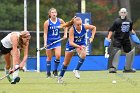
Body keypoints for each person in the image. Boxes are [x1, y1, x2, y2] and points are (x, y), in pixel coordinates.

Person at [57, 17, 96, 83]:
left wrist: (92, 37)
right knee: (66, 63)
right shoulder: (72, 30)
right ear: (74, 25)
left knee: (83, 54)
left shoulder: (84, 26)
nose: (80, 26)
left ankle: (76, 70)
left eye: (80, 24)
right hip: (71, 46)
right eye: (78, 25)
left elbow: (94, 28)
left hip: (81, 44)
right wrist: (79, 46)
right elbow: (71, 42)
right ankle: (60, 77)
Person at [104, 8, 140, 73]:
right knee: (116, 52)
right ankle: (113, 68)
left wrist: (134, 35)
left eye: (124, 12)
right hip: (118, 39)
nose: (123, 13)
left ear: (126, 13)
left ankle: (128, 68)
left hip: (126, 39)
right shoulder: (116, 21)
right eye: (122, 12)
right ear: (119, 13)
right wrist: (108, 38)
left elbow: (130, 30)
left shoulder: (129, 21)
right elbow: (111, 30)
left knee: (130, 52)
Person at [44, 8, 68, 78]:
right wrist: (45, 43)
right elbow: (45, 33)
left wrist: (65, 34)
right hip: (49, 41)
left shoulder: (60, 20)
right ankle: (48, 73)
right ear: (50, 14)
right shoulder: (47, 22)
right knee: (49, 57)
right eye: (52, 12)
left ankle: (55, 70)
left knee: (58, 56)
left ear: (56, 13)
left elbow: (66, 26)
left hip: (57, 41)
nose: (54, 14)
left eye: (55, 12)